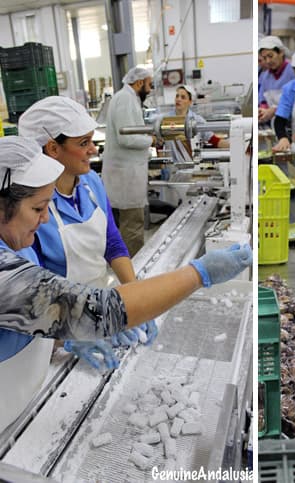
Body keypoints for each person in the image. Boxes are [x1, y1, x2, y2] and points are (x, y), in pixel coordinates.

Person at [0, 136, 252, 434]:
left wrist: (59, 337)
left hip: (21, 404)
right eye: (38, 209)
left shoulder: (18, 242)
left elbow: (22, 316)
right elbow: (97, 310)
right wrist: (199, 274)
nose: (44, 220)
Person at [18, 96, 157, 369]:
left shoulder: (91, 183)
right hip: (54, 330)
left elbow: (113, 242)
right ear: (53, 148)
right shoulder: (31, 207)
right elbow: (29, 292)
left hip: (97, 307)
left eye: (92, 140)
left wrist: (135, 296)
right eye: (83, 143)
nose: (93, 150)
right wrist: (72, 332)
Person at [102, 66, 155, 256]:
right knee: (132, 226)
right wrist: (151, 139)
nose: (149, 90)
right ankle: (135, 270)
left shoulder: (128, 99)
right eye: (149, 85)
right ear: (139, 82)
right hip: (126, 175)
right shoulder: (125, 99)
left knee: (129, 224)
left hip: (127, 172)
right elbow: (127, 137)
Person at [160, 85, 229, 163]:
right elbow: (158, 143)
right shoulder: (166, 119)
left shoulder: (197, 120)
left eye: (183, 97)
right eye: (177, 96)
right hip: (171, 166)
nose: (178, 99)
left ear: (190, 102)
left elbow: (214, 140)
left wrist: (236, 146)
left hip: (193, 165)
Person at [258, 36, 295, 123]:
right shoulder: (265, 77)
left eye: (270, 56)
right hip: (276, 125)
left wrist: (274, 110)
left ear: (281, 52)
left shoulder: (293, 72)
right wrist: (262, 111)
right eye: (264, 58)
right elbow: (263, 100)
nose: (268, 61)